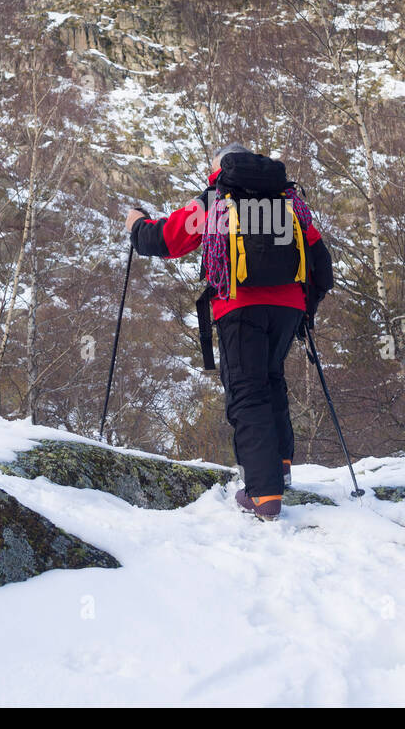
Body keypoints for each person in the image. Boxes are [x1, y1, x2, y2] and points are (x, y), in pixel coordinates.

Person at [125, 143, 333, 520]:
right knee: (271, 381)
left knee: (246, 392)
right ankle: (280, 468)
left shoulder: (214, 200)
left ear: (220, 168)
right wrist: (305, 311)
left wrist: (136, 226)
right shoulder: (288, 202)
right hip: (288, 307)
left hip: (239, 306)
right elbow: (322, 264)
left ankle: (263, 494)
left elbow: (165, 240)